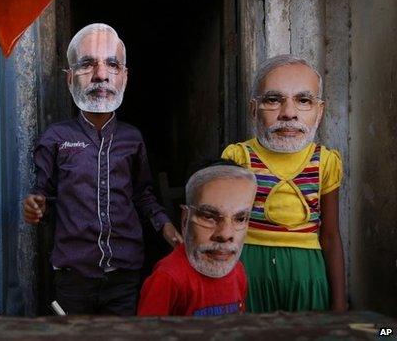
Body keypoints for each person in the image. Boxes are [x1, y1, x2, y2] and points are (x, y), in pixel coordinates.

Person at [22, 23, 182, 315]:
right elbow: (41, 195)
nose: (100, 75)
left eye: (112, 64)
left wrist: (167, 228)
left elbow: (142, 195)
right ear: (70, 78)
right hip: (73, 275)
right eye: (87, 65)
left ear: (124, 76)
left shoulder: (132, 138)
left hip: (125, 273)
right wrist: (34, 206)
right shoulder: (55, 138)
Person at [221, 54, 346, 312]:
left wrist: (339, 302)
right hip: (247, 270)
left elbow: (331, 235)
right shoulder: (238, 158)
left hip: (307, 274)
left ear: (319, 111)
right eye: (273, 100)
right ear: (254, 109)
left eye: (303, 100)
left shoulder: (326, 162)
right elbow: (223, 228)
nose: (288, 113)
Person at [138, 162, 256, 316]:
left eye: (240, 219)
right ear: (185, 219)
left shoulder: (238, 270)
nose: (225, 234)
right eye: (209, 217)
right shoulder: (168, 278)